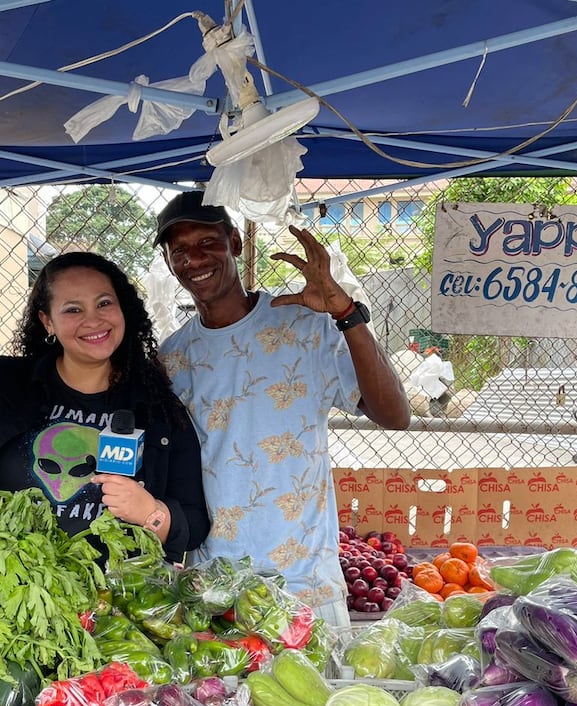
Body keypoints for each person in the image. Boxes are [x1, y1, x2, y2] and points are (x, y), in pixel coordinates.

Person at [156, 192, 411, 627]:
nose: (194, 260)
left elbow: (394, 415)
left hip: (304, 581)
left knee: (318, 695)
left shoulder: (303, 326)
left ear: (235, 243)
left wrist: (347, 314)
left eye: (207, 243)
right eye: (179, 250)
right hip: (216, 586)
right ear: (168, 262)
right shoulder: (172, 358)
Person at [0, 251, 209, 563]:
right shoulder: (9, 384)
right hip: (7, 596)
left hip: (115, 609)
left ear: (123, 310)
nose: (93, 320)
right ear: (48, 321)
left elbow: (193, 523)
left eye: (104, 303)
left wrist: (151, 512)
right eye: (73, 309)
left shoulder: (156, 404)